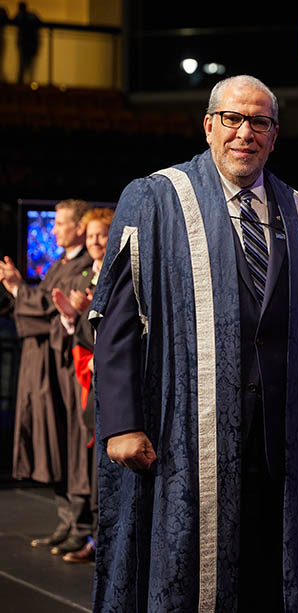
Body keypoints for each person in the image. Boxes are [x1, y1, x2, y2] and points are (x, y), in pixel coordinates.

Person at [90, 75, 298, 611]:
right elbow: (117, 321)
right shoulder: (155, 198)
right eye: (233, 119)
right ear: (209, 125)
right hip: (182, 434)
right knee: (187, 575)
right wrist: (123, 423)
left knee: (266, 578)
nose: (245, 132)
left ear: (274, 135)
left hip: (277, 442)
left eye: (259, 122)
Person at [0, 199, 94, 556]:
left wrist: (16, 290)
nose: (52, 230)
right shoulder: (62, 263)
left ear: (79, 227)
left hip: (68, 368)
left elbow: (45, 310)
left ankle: (82, 526)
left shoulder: (84, 267)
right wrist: (19, 290)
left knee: (70, 440)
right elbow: (42, 304)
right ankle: (67, 521)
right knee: (54, 441)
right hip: (46, 366)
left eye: (59, 223)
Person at [51, 206, 115, 564]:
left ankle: (101, 538)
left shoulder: (116, 272)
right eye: (90, 235)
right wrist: (72, 315)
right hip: (91, 373)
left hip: (110, 375)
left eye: (100, 235)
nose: (94, 241)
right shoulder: (92, 273)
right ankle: (91, 534)